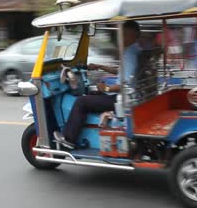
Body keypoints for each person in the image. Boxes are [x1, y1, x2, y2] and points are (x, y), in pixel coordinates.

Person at [54, 20, 142, 149]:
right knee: (93, 94)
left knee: (81, 102)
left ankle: (69, 139)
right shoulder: (134, 50)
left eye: (125, 34)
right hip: (130, 97)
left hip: (123, 99)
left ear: (134, 35)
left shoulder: (129, 54)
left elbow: (125, 85)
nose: (122, 38)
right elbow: (122, 71)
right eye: (122, 34)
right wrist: (100, 67)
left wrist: (106, 88)